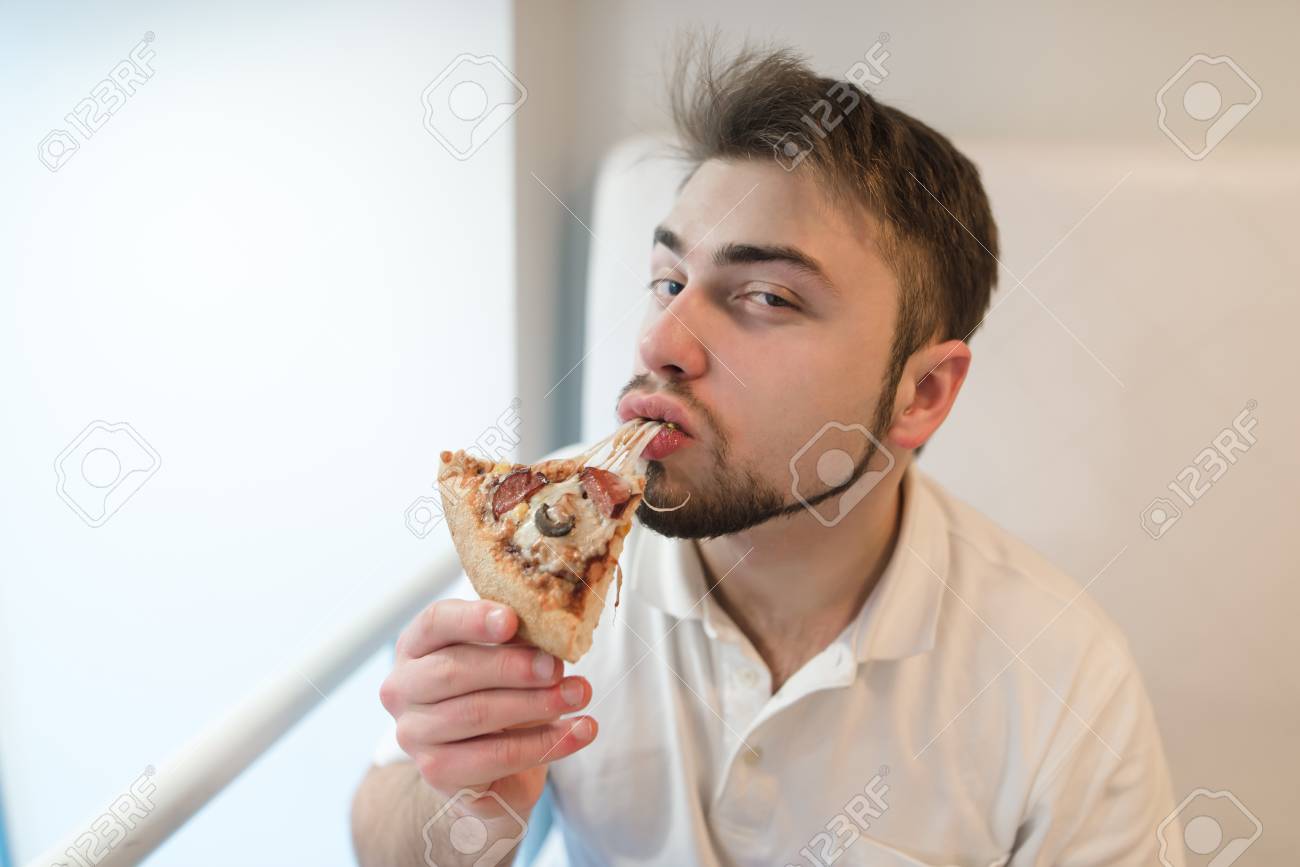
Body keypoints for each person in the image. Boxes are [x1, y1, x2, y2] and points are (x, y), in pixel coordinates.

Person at [351, 39, 1179, 867]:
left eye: (766, 297)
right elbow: (387, 843)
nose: (660, 340)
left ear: (921, 393)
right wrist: (462, 801)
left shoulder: (1063, 676)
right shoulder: (550, 539)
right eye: (669, 280)